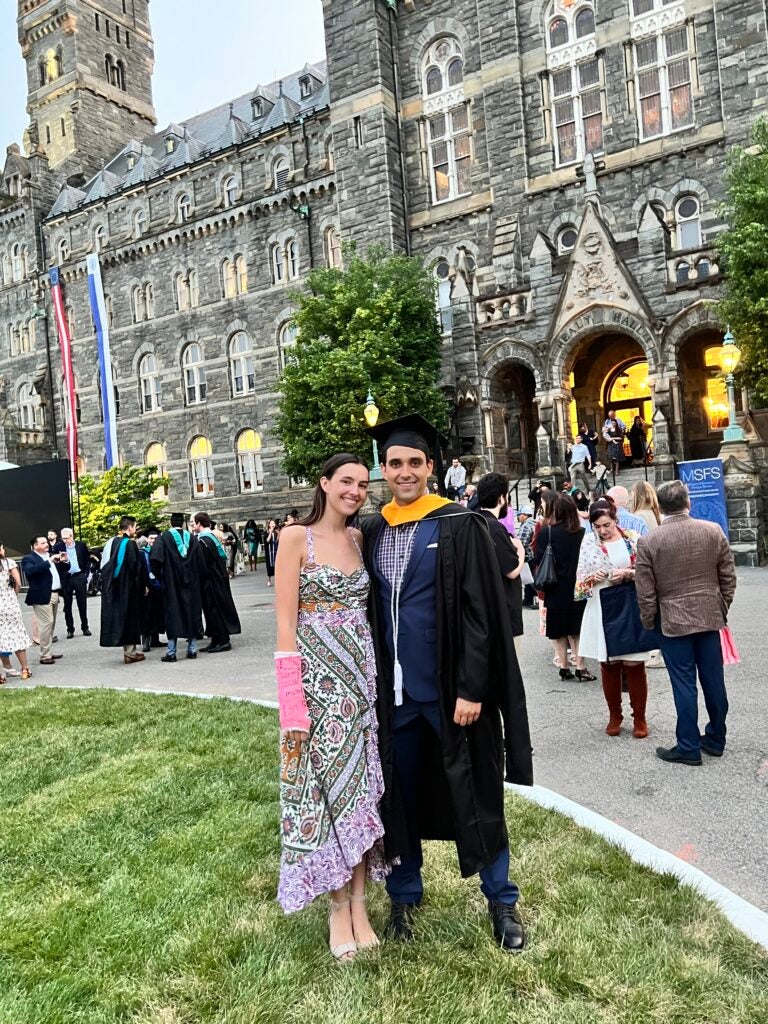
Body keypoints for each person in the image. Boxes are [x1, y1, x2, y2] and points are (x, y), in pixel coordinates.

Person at [360, 413, 533, 953]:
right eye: (395, 463)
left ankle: (501, 899)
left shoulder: (460, 525)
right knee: (399, 797)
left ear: (431, 467)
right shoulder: (370, 530)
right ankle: (404, 897)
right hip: (394, 699)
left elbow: (483, 615)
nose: (405, 472)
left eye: (415, 462)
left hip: (452, 694)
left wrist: (472, 688)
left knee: (477, 789)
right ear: (382, 470)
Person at [275, 454, 387, 959]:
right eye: (347, 481)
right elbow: (283, 627)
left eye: (364, 484)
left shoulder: (360, 540)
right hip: (317, 689)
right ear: (324, 483)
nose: (356, 490)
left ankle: (360, 903)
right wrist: (291, 706)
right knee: (325, 796)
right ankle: (336, 908)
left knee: (359, 796)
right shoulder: (295, 538)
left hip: (361, 685)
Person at [635, 480, 737, 766]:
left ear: (661, 507)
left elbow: (645, 590)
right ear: (687, 503)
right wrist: (720, 605)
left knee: (684, 684)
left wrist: (649, 622)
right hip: (708, 617)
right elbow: (728, 577)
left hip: (672, 621)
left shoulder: (650, 540)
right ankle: (716, 738)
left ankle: (688, 746)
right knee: (714, 681)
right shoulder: (712, 531)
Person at [576, 500, 649, 738]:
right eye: (597, 526)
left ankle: (639, 717)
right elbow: (579, 583)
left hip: (628, 604)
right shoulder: (588, 542)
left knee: (634, 662)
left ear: (616, 519)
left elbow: (649, 573)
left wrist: (628, 573)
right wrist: (591, 578)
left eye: (606, 524)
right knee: (608, 663)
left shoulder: (633, 539)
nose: (603, 530)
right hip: (601, 605)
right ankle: (614, 716)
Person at [533, 491, 595, 682]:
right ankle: (580, 666)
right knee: (577, 630)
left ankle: (563, 666)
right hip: (577, 586)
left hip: (554, 586)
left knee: (558, 631)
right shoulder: (583, 534)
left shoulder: (547, 532)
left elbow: (537, 559)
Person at [476, 473, 525, 650]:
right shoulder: (495, 527)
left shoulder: (474, 522)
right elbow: (511, 571)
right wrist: (521, 551)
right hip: (504, 612)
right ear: (501, 498)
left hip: (484, 612)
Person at [151, 513, 203, 663]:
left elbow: (154, 559)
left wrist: (161, 577)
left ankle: (172, 652)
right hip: (191, 584)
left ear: (171, 522)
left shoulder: (164, 538)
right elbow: (201, 563)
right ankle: (192, 650)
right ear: (183, 523)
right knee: (192, 613)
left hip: (171, 584)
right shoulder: (192, 539)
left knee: (172, 615)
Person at [191, 512, 241, 652]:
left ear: (199, 523)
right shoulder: (210, 537)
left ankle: (223, 641)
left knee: (215, 609)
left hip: (211, 580)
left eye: (193, 522)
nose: (192, 525)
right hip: (216, 578)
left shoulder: (204, 540)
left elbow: (203, 564)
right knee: (211, 610)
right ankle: (215, 639)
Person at [100, 517, 147, 664]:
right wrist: (142, 587)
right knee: (130, 618)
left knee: (121, 618)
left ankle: (129, 652)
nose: (136, 529)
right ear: (130, 527)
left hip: (113, 587)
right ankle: (130, 653)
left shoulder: (112, 542)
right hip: (128, 588)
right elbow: (135, 569)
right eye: (135, 527)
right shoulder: (130, 544)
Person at [22, 536, 64, 667]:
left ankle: (48, 652)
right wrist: (49, 561)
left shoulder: (50, 556)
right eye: (43, 543)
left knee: (51, 624)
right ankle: (45, 655)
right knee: (47, 623)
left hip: (55, 593)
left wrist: (64, 561)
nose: (47, 544)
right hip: (42, 595)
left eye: (46, 542)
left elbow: (62, 571)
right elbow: (30, 571)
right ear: (35, 546)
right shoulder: (29, 558)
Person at [0, 541, 32, 680]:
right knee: (17, 634)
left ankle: (2, 673)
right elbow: (18, 584)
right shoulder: (9, 563)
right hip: (10, 603)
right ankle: (25, 669)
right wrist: (13, 595)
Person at [52, 528, 92, 638]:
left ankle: (85, 627)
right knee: (67, 605)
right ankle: (70, 629)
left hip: (79, 575)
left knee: (82, 603)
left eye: (67, 538)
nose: (65, 540)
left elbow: (87, 560)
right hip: (66, 577)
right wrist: (62, 561)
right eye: (63, 538)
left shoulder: (81, 545)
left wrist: (86, 574)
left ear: (72, 536)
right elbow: (56, 563)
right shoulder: (58, 547)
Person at [138, 530, 164, 652]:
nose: (153, 540)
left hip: (159, 587)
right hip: (148, 587)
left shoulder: (162, 550)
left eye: (155, 538)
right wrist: (144, 585)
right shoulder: (142, 553)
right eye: (151, 538)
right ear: (147, 539)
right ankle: (146, 642)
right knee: (147, 614)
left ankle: (155, 639)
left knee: (158, 613)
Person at [517, 504, 537, 608]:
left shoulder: (526, 525)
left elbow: (522, 542)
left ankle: (531, 599)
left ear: (525, 515)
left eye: (520, 515)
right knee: (530, 579)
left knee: (529, 579)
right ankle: (528, 599)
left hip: (528, 555)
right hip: (535, 554)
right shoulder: (534, 523)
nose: (518, 517)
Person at [602, 410, 626, 477]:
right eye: (610, 415)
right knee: (611, 457)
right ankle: (612, 469)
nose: (611, 416)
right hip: (610, 443)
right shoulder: (607, 421)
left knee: (617, 457)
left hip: (617, 444)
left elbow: (624, 427)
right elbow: (604, 431)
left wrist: (619, 428)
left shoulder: (618, 420)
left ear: (614, 414)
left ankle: (617, 470)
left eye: (612, 415)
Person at [264, 519, 279, 586]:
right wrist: (270, 532)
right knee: (269, 566)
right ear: (269, 525)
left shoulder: (277, 532)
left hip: (276, 551)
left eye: (274, 523)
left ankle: (277, 580)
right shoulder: (266, 532)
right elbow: (267, 540)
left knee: (277, 566)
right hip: (269, 552)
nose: (273, 524)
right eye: (271, 523)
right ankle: (269, 580)